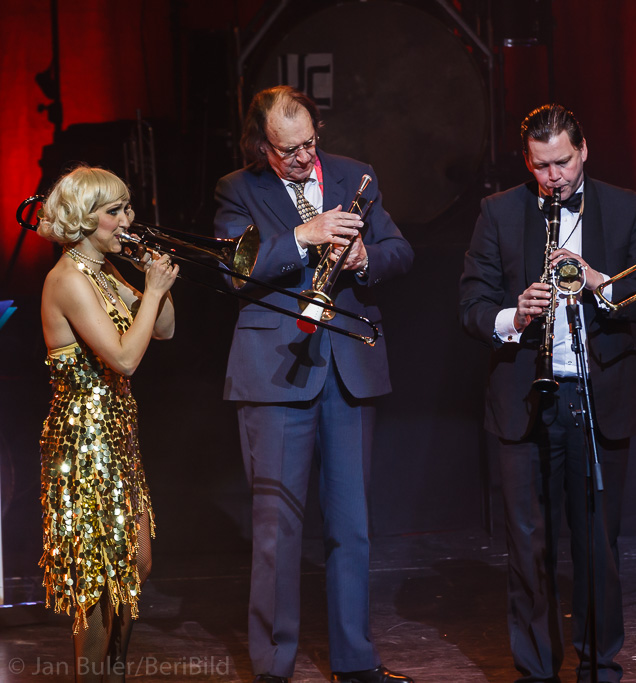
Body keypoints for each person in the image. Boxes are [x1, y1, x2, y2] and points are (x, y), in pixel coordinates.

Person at [459, 104, 636, 683]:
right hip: (524, 403)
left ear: (584, 151)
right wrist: (512, 314)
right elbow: (470, 305)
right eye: (542, 165)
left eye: (563, 162)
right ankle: (536, 671)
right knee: (527, 550)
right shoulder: (498, 214)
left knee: (598, 546)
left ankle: (599, 666)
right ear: (527, 162)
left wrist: (600, 281)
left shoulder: (626, 208)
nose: (554, 177)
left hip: (600, 400)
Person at [213, 85, 414, 683]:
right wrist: (306, 236)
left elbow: (400, 252)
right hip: (275, 373)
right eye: (287, 151)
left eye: (309, 146)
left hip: (348, 366)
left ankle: (355, 662)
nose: (302, 159)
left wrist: (362, 260)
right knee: (278, 526)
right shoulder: (237, 189)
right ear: (261, 146)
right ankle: (274, 665)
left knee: (351, 525)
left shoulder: (357, 175)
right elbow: (234, 272)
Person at [37, 166, 177, 682]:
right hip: (84, 443)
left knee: (133, 569)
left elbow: (163, 330)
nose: (128, 219)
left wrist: (152, 283)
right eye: (115, 211)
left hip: (117, 437)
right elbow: (124, 359)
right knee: (98, 581)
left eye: (128, 207)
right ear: (83, 218)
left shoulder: (102, 271)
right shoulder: (68, 278)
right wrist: (154, 289)